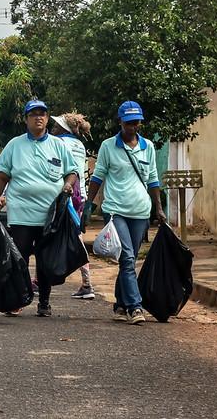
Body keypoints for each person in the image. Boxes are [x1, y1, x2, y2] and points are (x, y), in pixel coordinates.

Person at [83, 101, 165, 325]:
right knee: (128, 257)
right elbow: (97, 177)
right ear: (120, 122)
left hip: (140, 211)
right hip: (116, 210)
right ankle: (134, 307)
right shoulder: (109, 146)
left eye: (136, 122)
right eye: (128, 122)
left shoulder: (147, 146)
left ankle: (120, 303)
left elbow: (153, 179)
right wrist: (89, 206)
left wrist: (158, 207)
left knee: (128, 260)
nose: (133, 126)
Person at [0, 100, 77, 317]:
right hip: (21, 212)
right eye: (33, 114)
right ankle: (17, 300)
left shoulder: (59, 145)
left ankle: (44, 302)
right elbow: (2, 175)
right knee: (20, 257)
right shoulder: (14, 145)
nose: (38, 117)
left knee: (45, 259)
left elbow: (72, 171)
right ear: (26, 119)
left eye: (42, 114)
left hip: (49, 215)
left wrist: (68, 184)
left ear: (47, 118)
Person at [50, 113, 95, 300]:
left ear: (64, 129)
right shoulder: (79, 145)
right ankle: (86, 283)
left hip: (64, 193)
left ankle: (87, 282)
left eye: (56, 125)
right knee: (75, 235)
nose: (53, 128)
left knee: (49, 233)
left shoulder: (59, 143)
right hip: (79, 195)